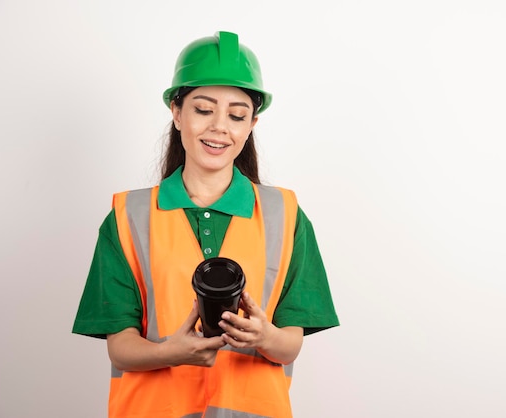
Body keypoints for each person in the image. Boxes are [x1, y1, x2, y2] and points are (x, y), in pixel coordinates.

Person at [72, 30, 339, 418]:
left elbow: (290, 344)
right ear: (177, 113)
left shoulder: (286, 213)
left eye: (236, 114)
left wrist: (266, 336)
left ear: (251, 124)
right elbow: (120, 346)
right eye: (202, 109)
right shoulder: (129, 215)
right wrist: (169, 352)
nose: (219, 127)